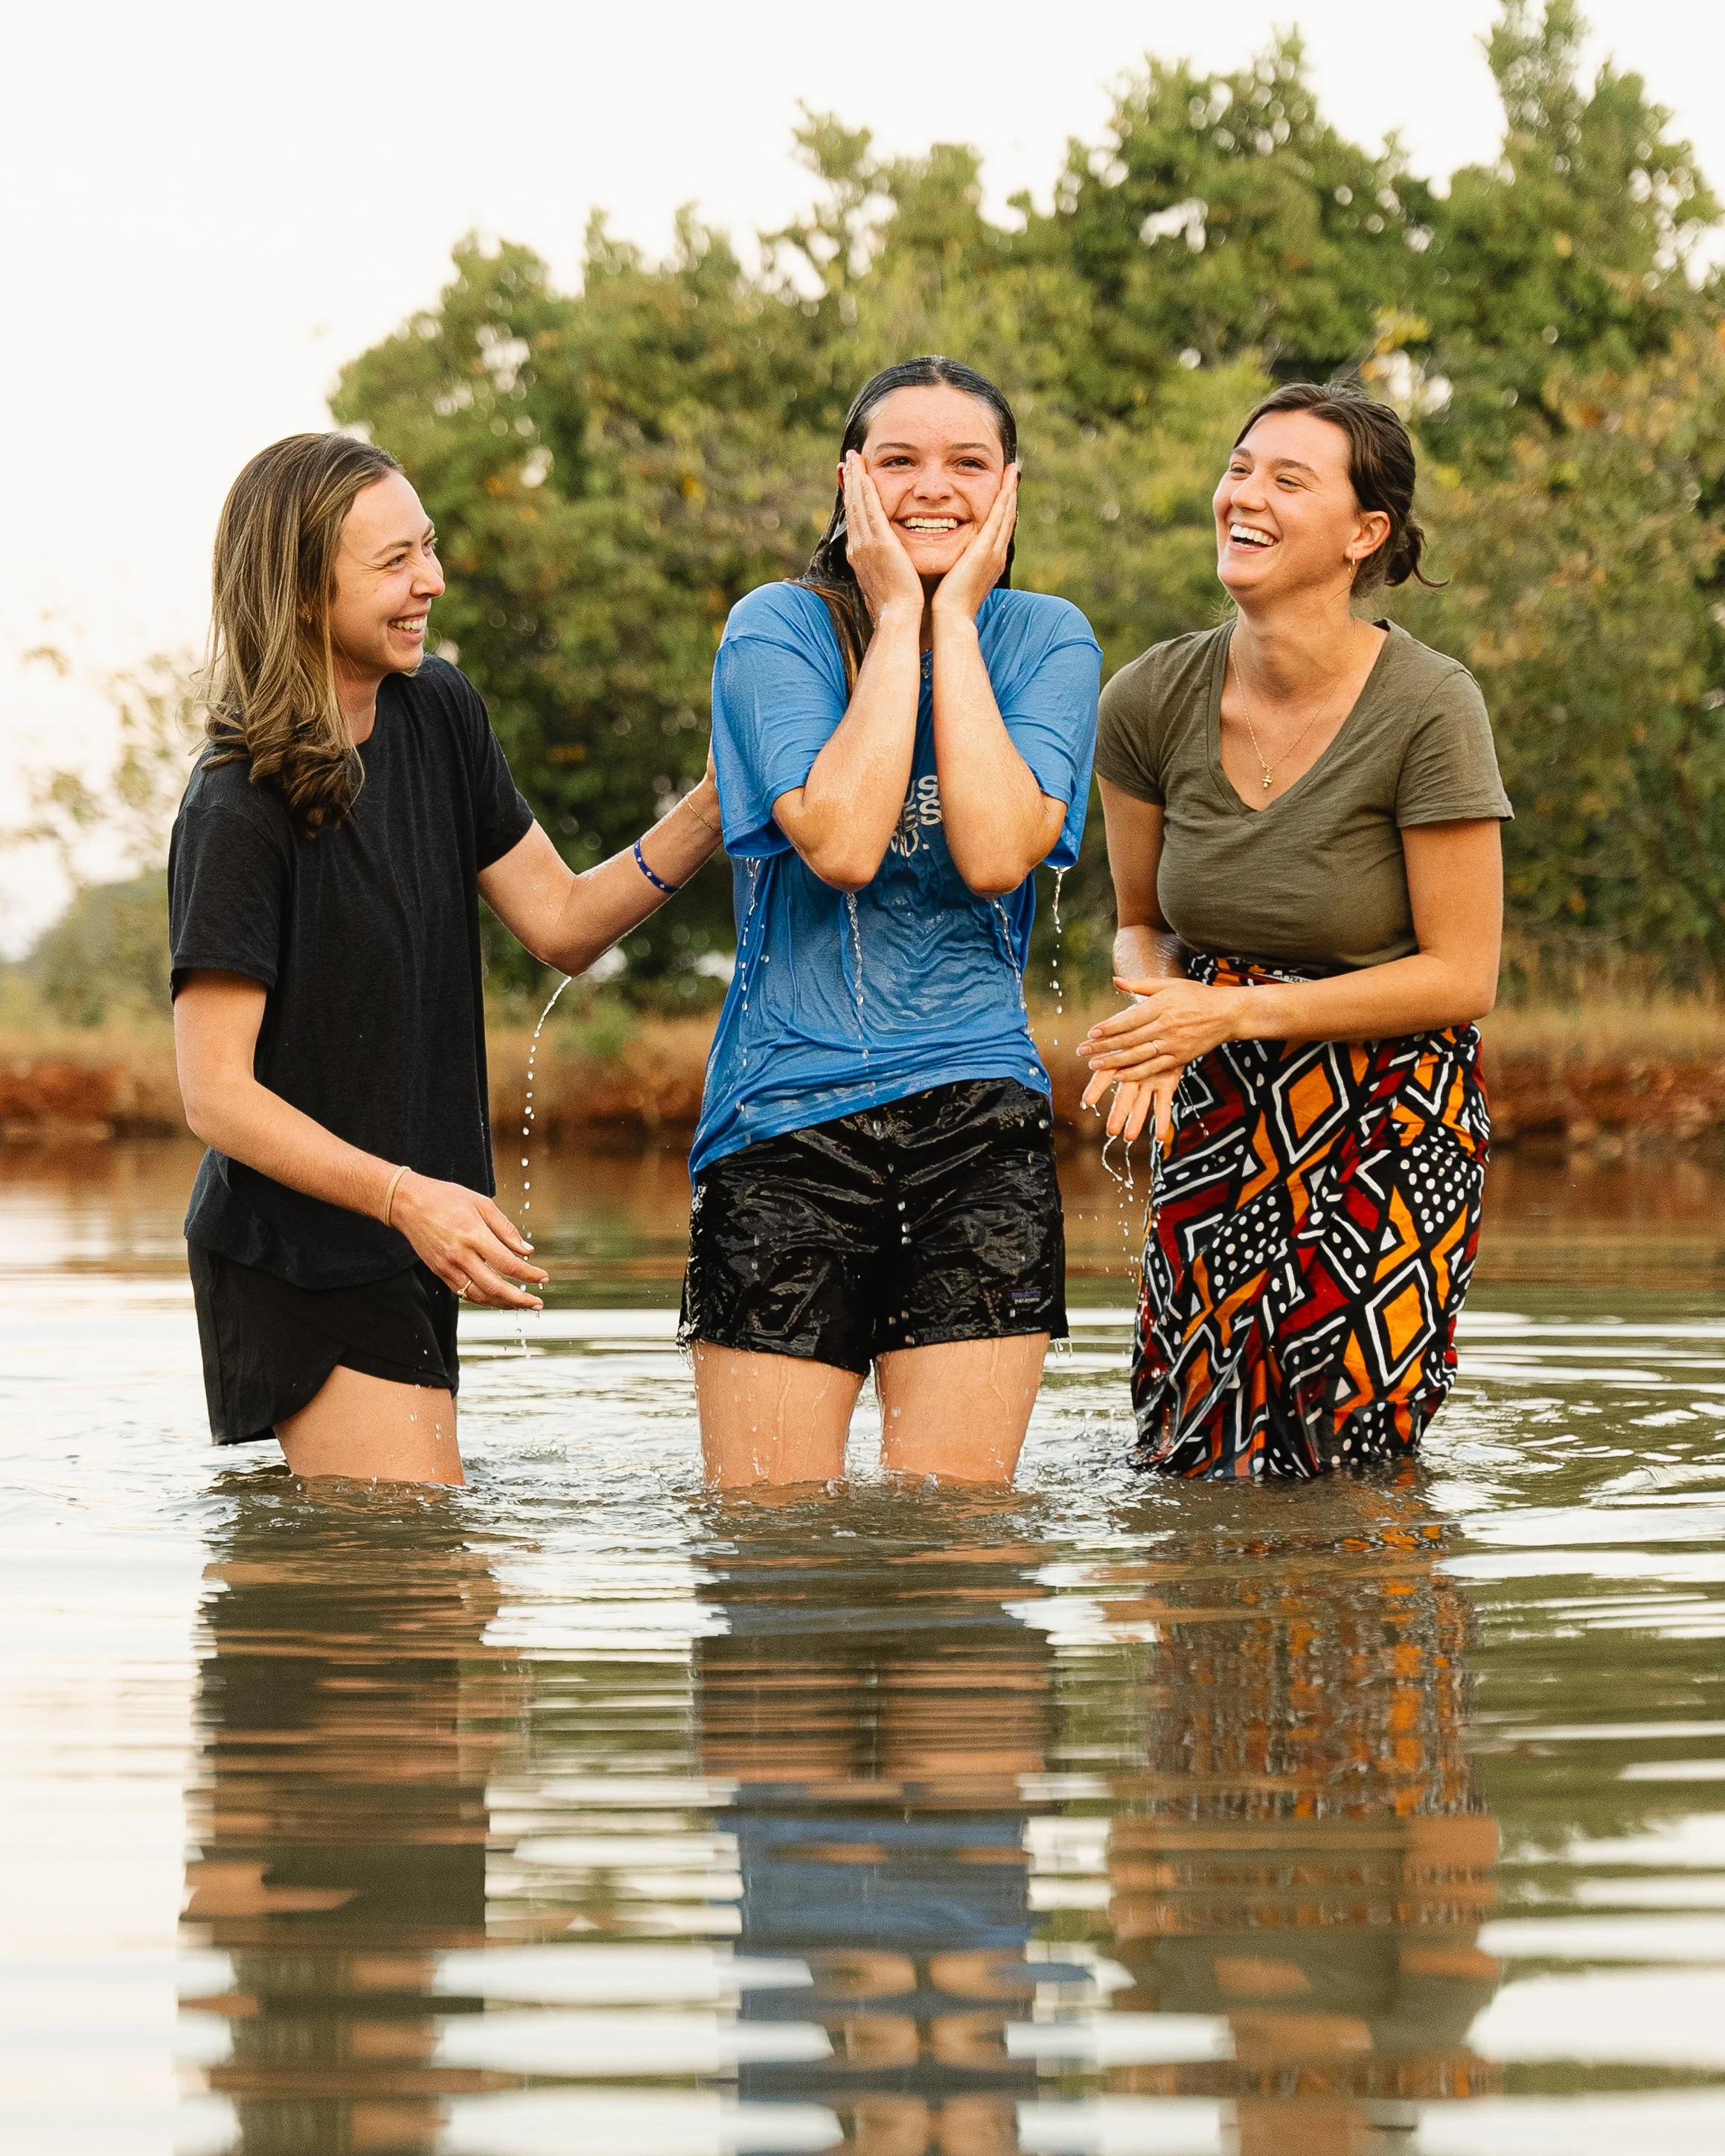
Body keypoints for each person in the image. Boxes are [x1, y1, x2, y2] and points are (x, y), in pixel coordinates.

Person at [170, 432, 722, 1488]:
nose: (429, 581)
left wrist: (715, 801)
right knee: (423, 1596)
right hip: (306, 1250)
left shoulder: (440, 713)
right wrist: (404, 1197)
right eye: (393, 563)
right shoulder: (235, 806)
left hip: (413, 1229)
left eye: (427, 548)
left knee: (425, 1613)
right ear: (295, 593)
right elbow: (215, 1096)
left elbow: (560, 923)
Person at [681, 356, 1101, 1489]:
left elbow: (998, 851)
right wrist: (896, 612)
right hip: (782, 1126)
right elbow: (844, 842)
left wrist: (949, 625)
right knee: (769, 1558)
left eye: (967, 463)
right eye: (898, 460)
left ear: (1007, 487)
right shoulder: (775, 628)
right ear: (847, 482)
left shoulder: (1046, 640)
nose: (934, 487)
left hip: (979, 1124)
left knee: (963, 1550)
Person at [1080, 380, 1511, 1480]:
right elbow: (1138, 927)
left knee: (1344, 1452)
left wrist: (1228, 1011)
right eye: (1238, 469)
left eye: (1286, 479)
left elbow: (1461, 977)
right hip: (1220, 1103)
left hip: (1392, 1109)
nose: (1244, 496)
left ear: (1365, 533)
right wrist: (1156, 1013)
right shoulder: (1147, 698)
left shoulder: (1430, 704)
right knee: (1188, 1447)